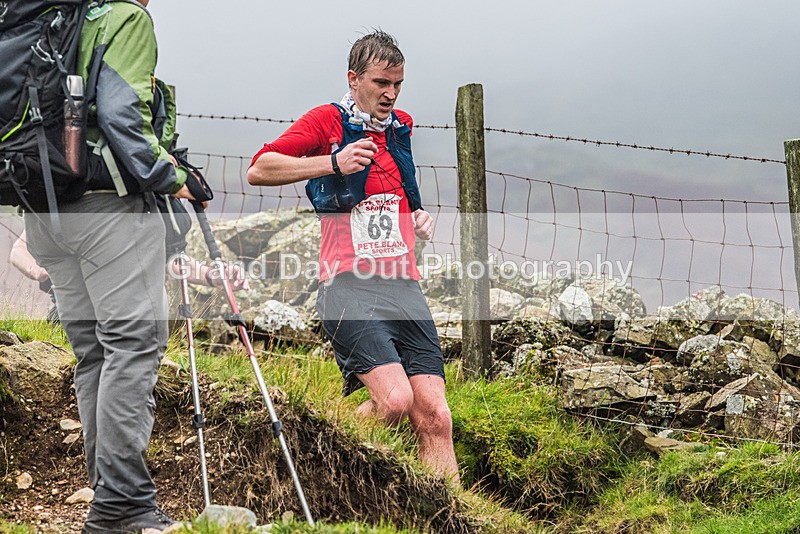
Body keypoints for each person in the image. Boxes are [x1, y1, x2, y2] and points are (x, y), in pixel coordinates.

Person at [247, 31, 459, 482]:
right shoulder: (327, 121)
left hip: (403, 286)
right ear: (354, 78)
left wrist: (417, 218)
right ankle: (316, 449)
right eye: (381, 82)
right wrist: (333, 162)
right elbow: (259, 169)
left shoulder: (400, 127)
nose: (391, 93)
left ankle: (447, 513)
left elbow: (393, 196)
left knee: (436, 417)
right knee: (395, 402)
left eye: (398, 84)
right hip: (347, 285)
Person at [23, 1, 200, 531]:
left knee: (95, 354)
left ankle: (108, 496)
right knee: (133, 343)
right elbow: (124, 115)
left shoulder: (53, 18)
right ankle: (123, 503)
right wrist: (172, 177)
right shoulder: (125, 18)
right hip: (107, 210)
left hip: (46, 210)